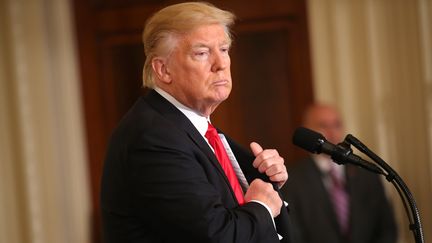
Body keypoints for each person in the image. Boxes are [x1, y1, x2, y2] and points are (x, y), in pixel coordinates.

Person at [100, 2, 292, 242]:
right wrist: (262, 206)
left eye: (223, 49)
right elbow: (215, 235)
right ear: (163, 70)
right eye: (202, 53)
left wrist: (268, 184)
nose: (220, 64)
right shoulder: (152, 138)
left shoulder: (193, 130)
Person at [281, 103, 398, 243]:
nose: (332, 132)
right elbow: (294, 234)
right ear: (308, 131)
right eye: (323, 125)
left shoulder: (367, 171)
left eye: (337, 125)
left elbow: (387, 229)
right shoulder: (292, 179)